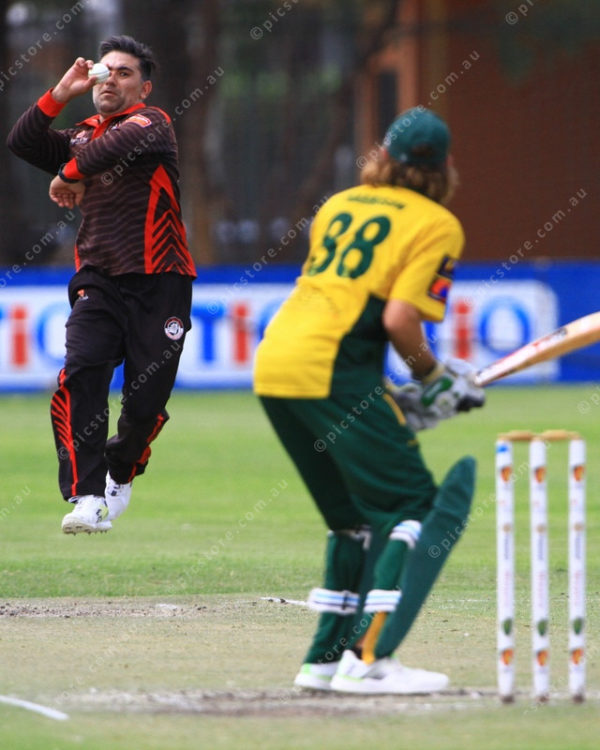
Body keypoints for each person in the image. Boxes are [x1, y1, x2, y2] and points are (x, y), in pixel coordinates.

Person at [253, 106, 485, 694]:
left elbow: (345, 305)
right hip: (331, 370)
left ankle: (324, 663)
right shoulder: (438, 223)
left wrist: (395, 399)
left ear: (381, 156)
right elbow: (398, 319)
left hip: (277, 362)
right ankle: (370, 659)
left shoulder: (338, 205)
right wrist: (436, 379)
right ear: (446, 168)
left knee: (353, 520)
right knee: (413, 506)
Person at [7, 35, 196, 535]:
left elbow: (115, 147)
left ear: (144, 87)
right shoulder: (81, 135)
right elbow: (22, 141)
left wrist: (66, 173)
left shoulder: (153, 123)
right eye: (104, 71)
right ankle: (86, 496)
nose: (110, 79)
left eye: (123, 72)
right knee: (81, 373)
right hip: (98, 278)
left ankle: (123, 465)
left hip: (162, 280)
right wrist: (61, 93)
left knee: (145, 403)